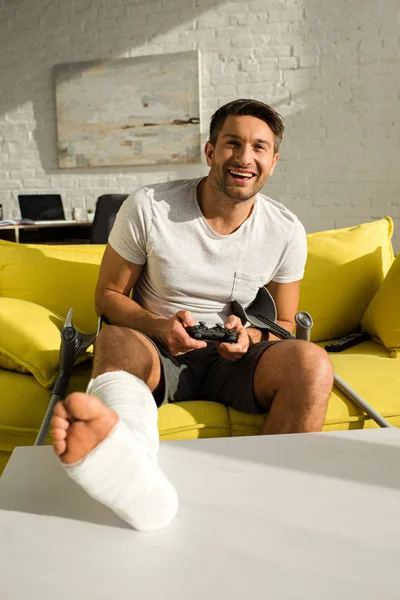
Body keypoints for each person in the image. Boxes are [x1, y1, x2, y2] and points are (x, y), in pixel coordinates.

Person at [51, 99, 334, 532]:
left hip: (232, 360)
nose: (244, 158)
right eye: (232, 144)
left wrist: (251, 339)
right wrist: (158, 326)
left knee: (311, 362)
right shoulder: (149, 207)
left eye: (259, 147)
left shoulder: (286, 229)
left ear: (273, 162)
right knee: (113, 338)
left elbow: (284, 328)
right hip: (156, 350)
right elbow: (107, 297)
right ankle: (135, 480)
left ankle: (274, 503)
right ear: (209, 152)